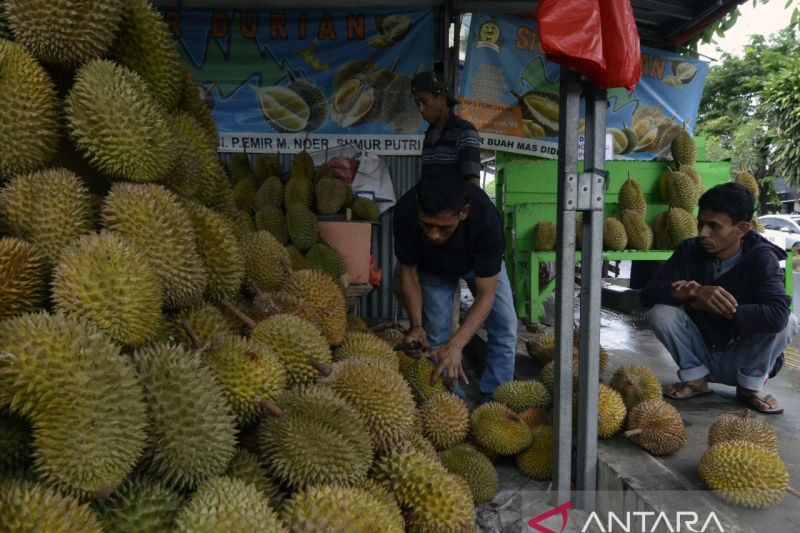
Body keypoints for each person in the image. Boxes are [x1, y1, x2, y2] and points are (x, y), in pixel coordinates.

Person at [641, 182, 798, 414]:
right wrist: (691, 292)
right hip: (700, 351)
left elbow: (776, 315)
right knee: (661, 312)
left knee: (789, 321)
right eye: (701, 223)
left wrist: (719, 306)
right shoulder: (689, 250)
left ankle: (749, 388)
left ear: (742, 229)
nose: (703, 233)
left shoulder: (762, 259)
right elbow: (648, 294)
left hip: (741, 357)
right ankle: (695, 380)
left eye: (714, 226)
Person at [392, 166, 517, 401]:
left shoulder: (485, 218)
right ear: (418, 205)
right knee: (435, 337)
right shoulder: (405, 212)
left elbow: (486, 294)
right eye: (426, 225)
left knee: (505, 327)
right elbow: (408, 271)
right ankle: (449, 401)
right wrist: (416, 325)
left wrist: (458, 344)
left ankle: (495, 400)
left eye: (444, 227)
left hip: (480, 266)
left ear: (464, 212)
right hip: (433, 270)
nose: (434, 235)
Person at [411, 70, 482, 186]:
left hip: (456, 203)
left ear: (442, 100)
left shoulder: (464, 132)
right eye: (417, 104)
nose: (421, 109)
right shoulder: (429, 135)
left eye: (424, 102)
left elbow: (473, 185)